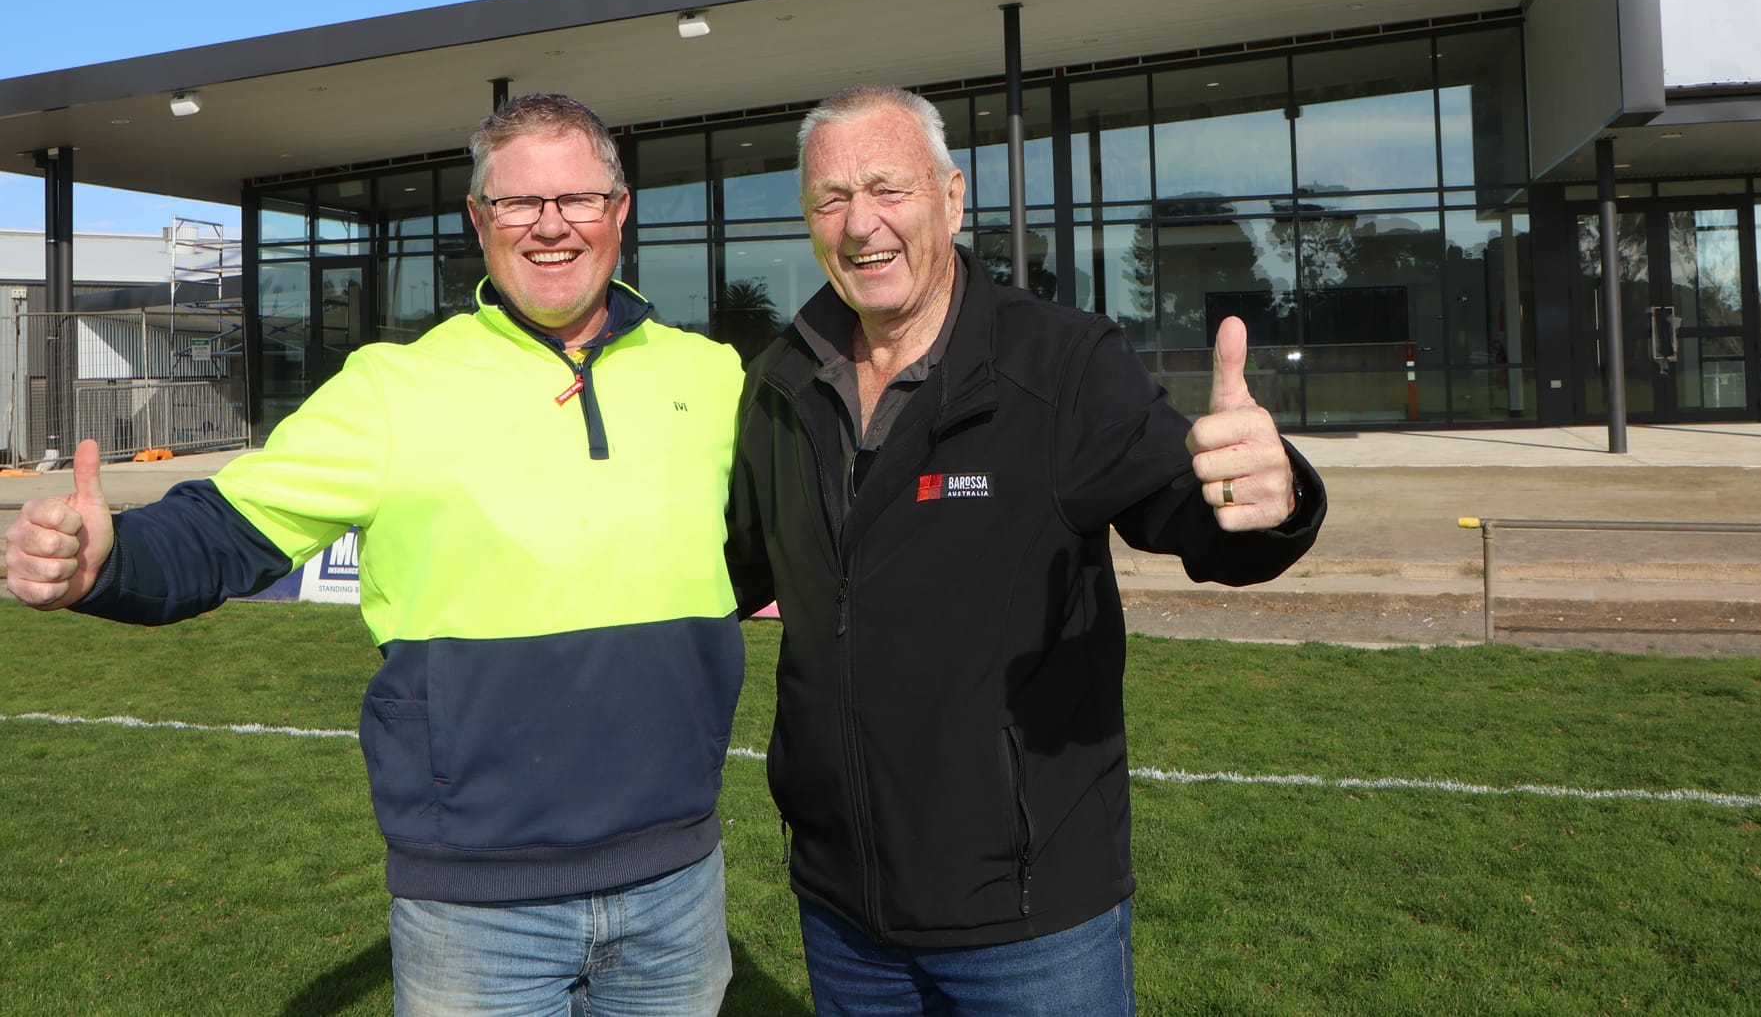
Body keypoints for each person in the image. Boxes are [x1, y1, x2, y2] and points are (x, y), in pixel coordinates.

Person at [5, 93, 745, 1017]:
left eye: (577, 199)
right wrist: (113, 560)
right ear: (478, 219)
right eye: (518, 202)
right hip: (476, 908)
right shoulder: (395, 388)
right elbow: (229, 528)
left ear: (619, 210)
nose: (550, 225)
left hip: (679, 885)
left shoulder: (712, 378)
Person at [725, 85, 1328, 1015]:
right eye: (831, 199)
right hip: (846, 911)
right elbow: (730, 568)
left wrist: (1264, 499)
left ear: (952, 198)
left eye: (888, 189)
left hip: (1031, 919)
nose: (860, 224)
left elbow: (1188, 514)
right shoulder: (779, 384)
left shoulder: (1062, 364)